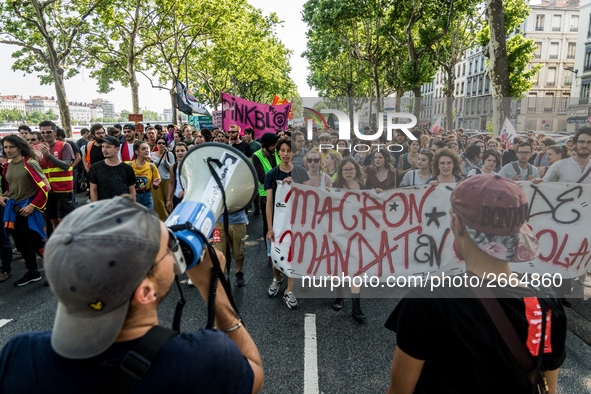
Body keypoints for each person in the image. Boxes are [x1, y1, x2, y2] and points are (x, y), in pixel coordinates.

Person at [0, 196, 263, 393]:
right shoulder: (205, 358)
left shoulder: (20, 353)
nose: (175, 250)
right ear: (145, 291)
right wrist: (212, 286)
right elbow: (254, 372)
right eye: (170, 246)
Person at [385, 174, 567, 394]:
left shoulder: (426, 300)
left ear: (457, 224)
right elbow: (549, 389)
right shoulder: (547, 302)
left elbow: (400, 391)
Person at [265, 138, 309, 309]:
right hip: (276, 222)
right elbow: (269, 202)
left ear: (294, 153)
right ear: (278, 152)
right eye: (282, 150)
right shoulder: (272, 174)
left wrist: (295, 186)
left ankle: (289, 291)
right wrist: (269, 227)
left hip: (296, 222)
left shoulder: (301, 173)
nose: (285, 154)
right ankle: (277, 279)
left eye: (289, 150)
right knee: (275, 256)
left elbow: (307, 198)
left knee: (293, 256)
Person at [0, 135, 49, 286]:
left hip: (29, 210)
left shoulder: (30, 163)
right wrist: (2, 196)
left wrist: (32, 206)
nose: (8, 150)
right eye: (6, 147)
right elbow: (10, 189)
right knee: (21, 245)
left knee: (36, 243)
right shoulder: (7, 166)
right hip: (14, 211)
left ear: (19, 147)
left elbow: (45, 187)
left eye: (11, 147)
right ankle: (33, 272)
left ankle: (56, 270)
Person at [331, 157, 367, 321]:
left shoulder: (363, 187)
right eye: (345, 169)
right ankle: (339, 297)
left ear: (356, 171)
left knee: (355, 270)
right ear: (340, 172)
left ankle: (356, 306)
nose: (348, 172)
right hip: (338, 233)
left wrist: (378, 194)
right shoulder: (334, 187)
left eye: (351, 169)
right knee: (338, 268)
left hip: (357, 234)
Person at [37, 121, 75, 229]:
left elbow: (66, 166)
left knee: (64, 221)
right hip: (47, 190)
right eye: (42, 132)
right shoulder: (37, 148)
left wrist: (48, 155)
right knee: (53, 221)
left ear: (55, 132)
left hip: (63, 190)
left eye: (49, 131)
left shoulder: (65, 145)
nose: (45, 134)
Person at [252, 133, 280, 266]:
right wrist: (280, 177)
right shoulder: (256, 156)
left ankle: (280, 251)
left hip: (281, 195)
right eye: (273, 145)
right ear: (265, 145)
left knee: (281, 225)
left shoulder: (278, 152)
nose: (275, 147)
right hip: (265, 197)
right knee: (268, 226)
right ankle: (270, 254)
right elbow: (262, 178)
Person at [88, 136, 136, 202]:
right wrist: (96, 208)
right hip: (104, 208)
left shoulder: (127, 168)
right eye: (103, 146)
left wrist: (133, 207)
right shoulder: (95, 168)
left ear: (117, 149)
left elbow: (132, 190)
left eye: (108, 147)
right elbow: (93, 190)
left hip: (122, 208)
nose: (104, 150)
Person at [128, 141, 162, 210]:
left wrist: (155, 185)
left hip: (147, 196)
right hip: (133, 196)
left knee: (147, 219)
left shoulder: (152, 166)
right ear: (136, 151)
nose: (147, 151)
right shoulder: (129, 165)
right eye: (143, 149)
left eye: (147, 148)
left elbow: (156, 186)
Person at [56, 127, 81, 208]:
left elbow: (78, 157)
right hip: (60, 174)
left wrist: (71, 168)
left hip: (71, 172)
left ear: (59, 136)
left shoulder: (69, 144)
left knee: (71, 194)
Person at [151, 137, 174, 221]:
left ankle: (171, 220)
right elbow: (151, 168)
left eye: (163, 143)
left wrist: (165, 162)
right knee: (158, 202)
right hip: (156, 181)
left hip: (167, 180)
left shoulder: (169, 154)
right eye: (159, 143)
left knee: (168, 202)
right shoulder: (152, 154)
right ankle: (164, 221)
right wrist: (151, 162)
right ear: (156, 145)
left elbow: (172, 168)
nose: (161, 145)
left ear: (166, 145)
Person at [166, 142, 188, 212]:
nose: (180, 153)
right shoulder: (173, 166)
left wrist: (184, 191)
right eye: (177, 151)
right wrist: (168, 199)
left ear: (187, 151)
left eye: (182, 150)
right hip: (177, 197)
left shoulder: (192, 165)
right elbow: (171, 183)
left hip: (189, 197)